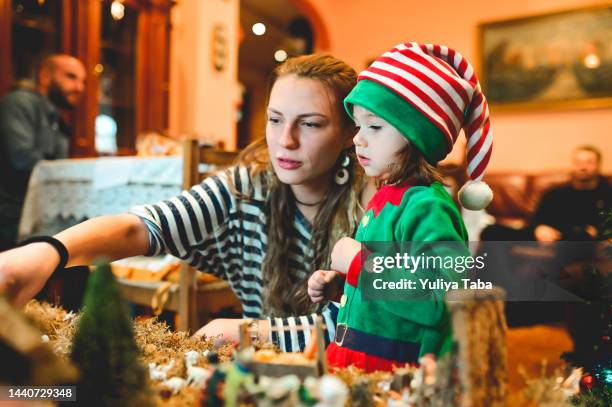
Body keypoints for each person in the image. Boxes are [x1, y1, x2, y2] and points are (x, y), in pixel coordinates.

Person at [0, 54, 372, 352]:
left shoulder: (381, 206)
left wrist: (253, 331)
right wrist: (49, 254)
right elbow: (146, 226)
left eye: (309, 124)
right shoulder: (246, 188)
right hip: (259, 376)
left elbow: (375, 328)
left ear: (348, 134)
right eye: (275, 120)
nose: (285, 141)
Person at [308, 42, 494, 372]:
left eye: (375, 127)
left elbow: (438, 301)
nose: (358, 139)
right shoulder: (387, 198)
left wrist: (357, 261)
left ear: (417, 136)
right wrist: (343, 285)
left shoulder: (427, 207)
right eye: (360, 126)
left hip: (395, 372)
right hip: (358, 364)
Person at [0, 54, 86, 251]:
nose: (79, 88)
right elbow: (21, 160)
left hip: (40, 214)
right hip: (12, 219)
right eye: (71, 77)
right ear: (45, 77)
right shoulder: (19, 103)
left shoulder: (57, 118)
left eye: (83, 81)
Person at [480, 145, 610, 242]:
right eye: (579, 162)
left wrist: (597, 232)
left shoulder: (606, 192)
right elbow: (536, 219)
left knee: (581, 237)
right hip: (544, 238)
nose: (583, 167)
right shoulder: (556, 192)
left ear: (598, 165)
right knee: (490, 231)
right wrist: (539, 229)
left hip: (576, 241)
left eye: (589, 162)